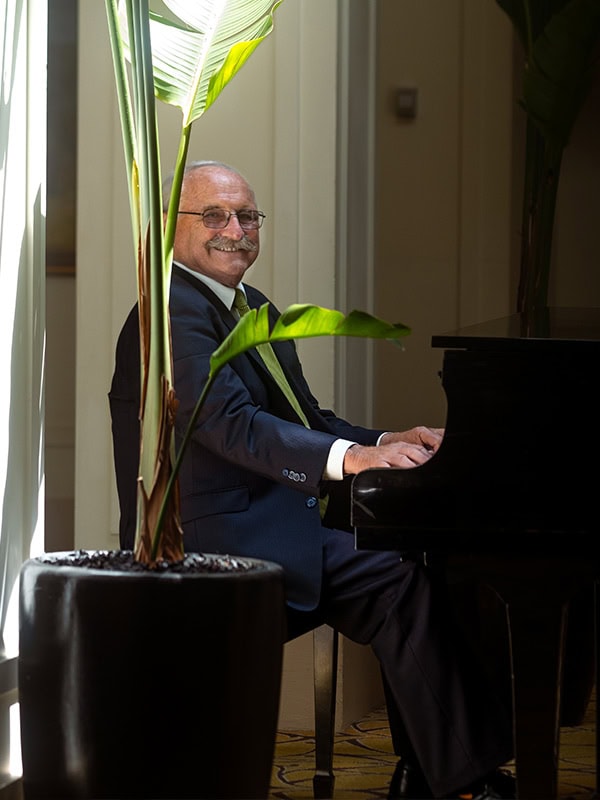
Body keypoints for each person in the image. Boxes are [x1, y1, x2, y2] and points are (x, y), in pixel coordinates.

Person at [109, 160, 515, 800]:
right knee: (397, 577)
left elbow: (304, 417)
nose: (236, 229)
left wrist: (383, 441)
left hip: (276, 516)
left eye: (247, 215)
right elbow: (229, 424)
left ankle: (439, 771)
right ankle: (461, 780)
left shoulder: (249, 307)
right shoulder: (167, 312)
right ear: (168, 229)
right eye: (214, 215)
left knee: (415, 562)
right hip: (213, 543)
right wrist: (347, 462)